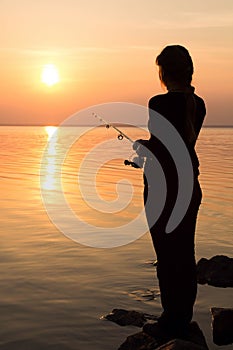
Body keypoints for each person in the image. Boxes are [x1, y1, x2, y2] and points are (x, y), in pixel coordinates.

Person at [134, 45, 206, 339]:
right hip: (189, 185)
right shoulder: (198, 103)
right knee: (184, 254)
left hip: (165, 188)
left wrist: (141, 147)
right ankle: (182, 317)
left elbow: (162, 148)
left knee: (166, 254)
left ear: (163, 71)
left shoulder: (158, 103)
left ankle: (170, 321)